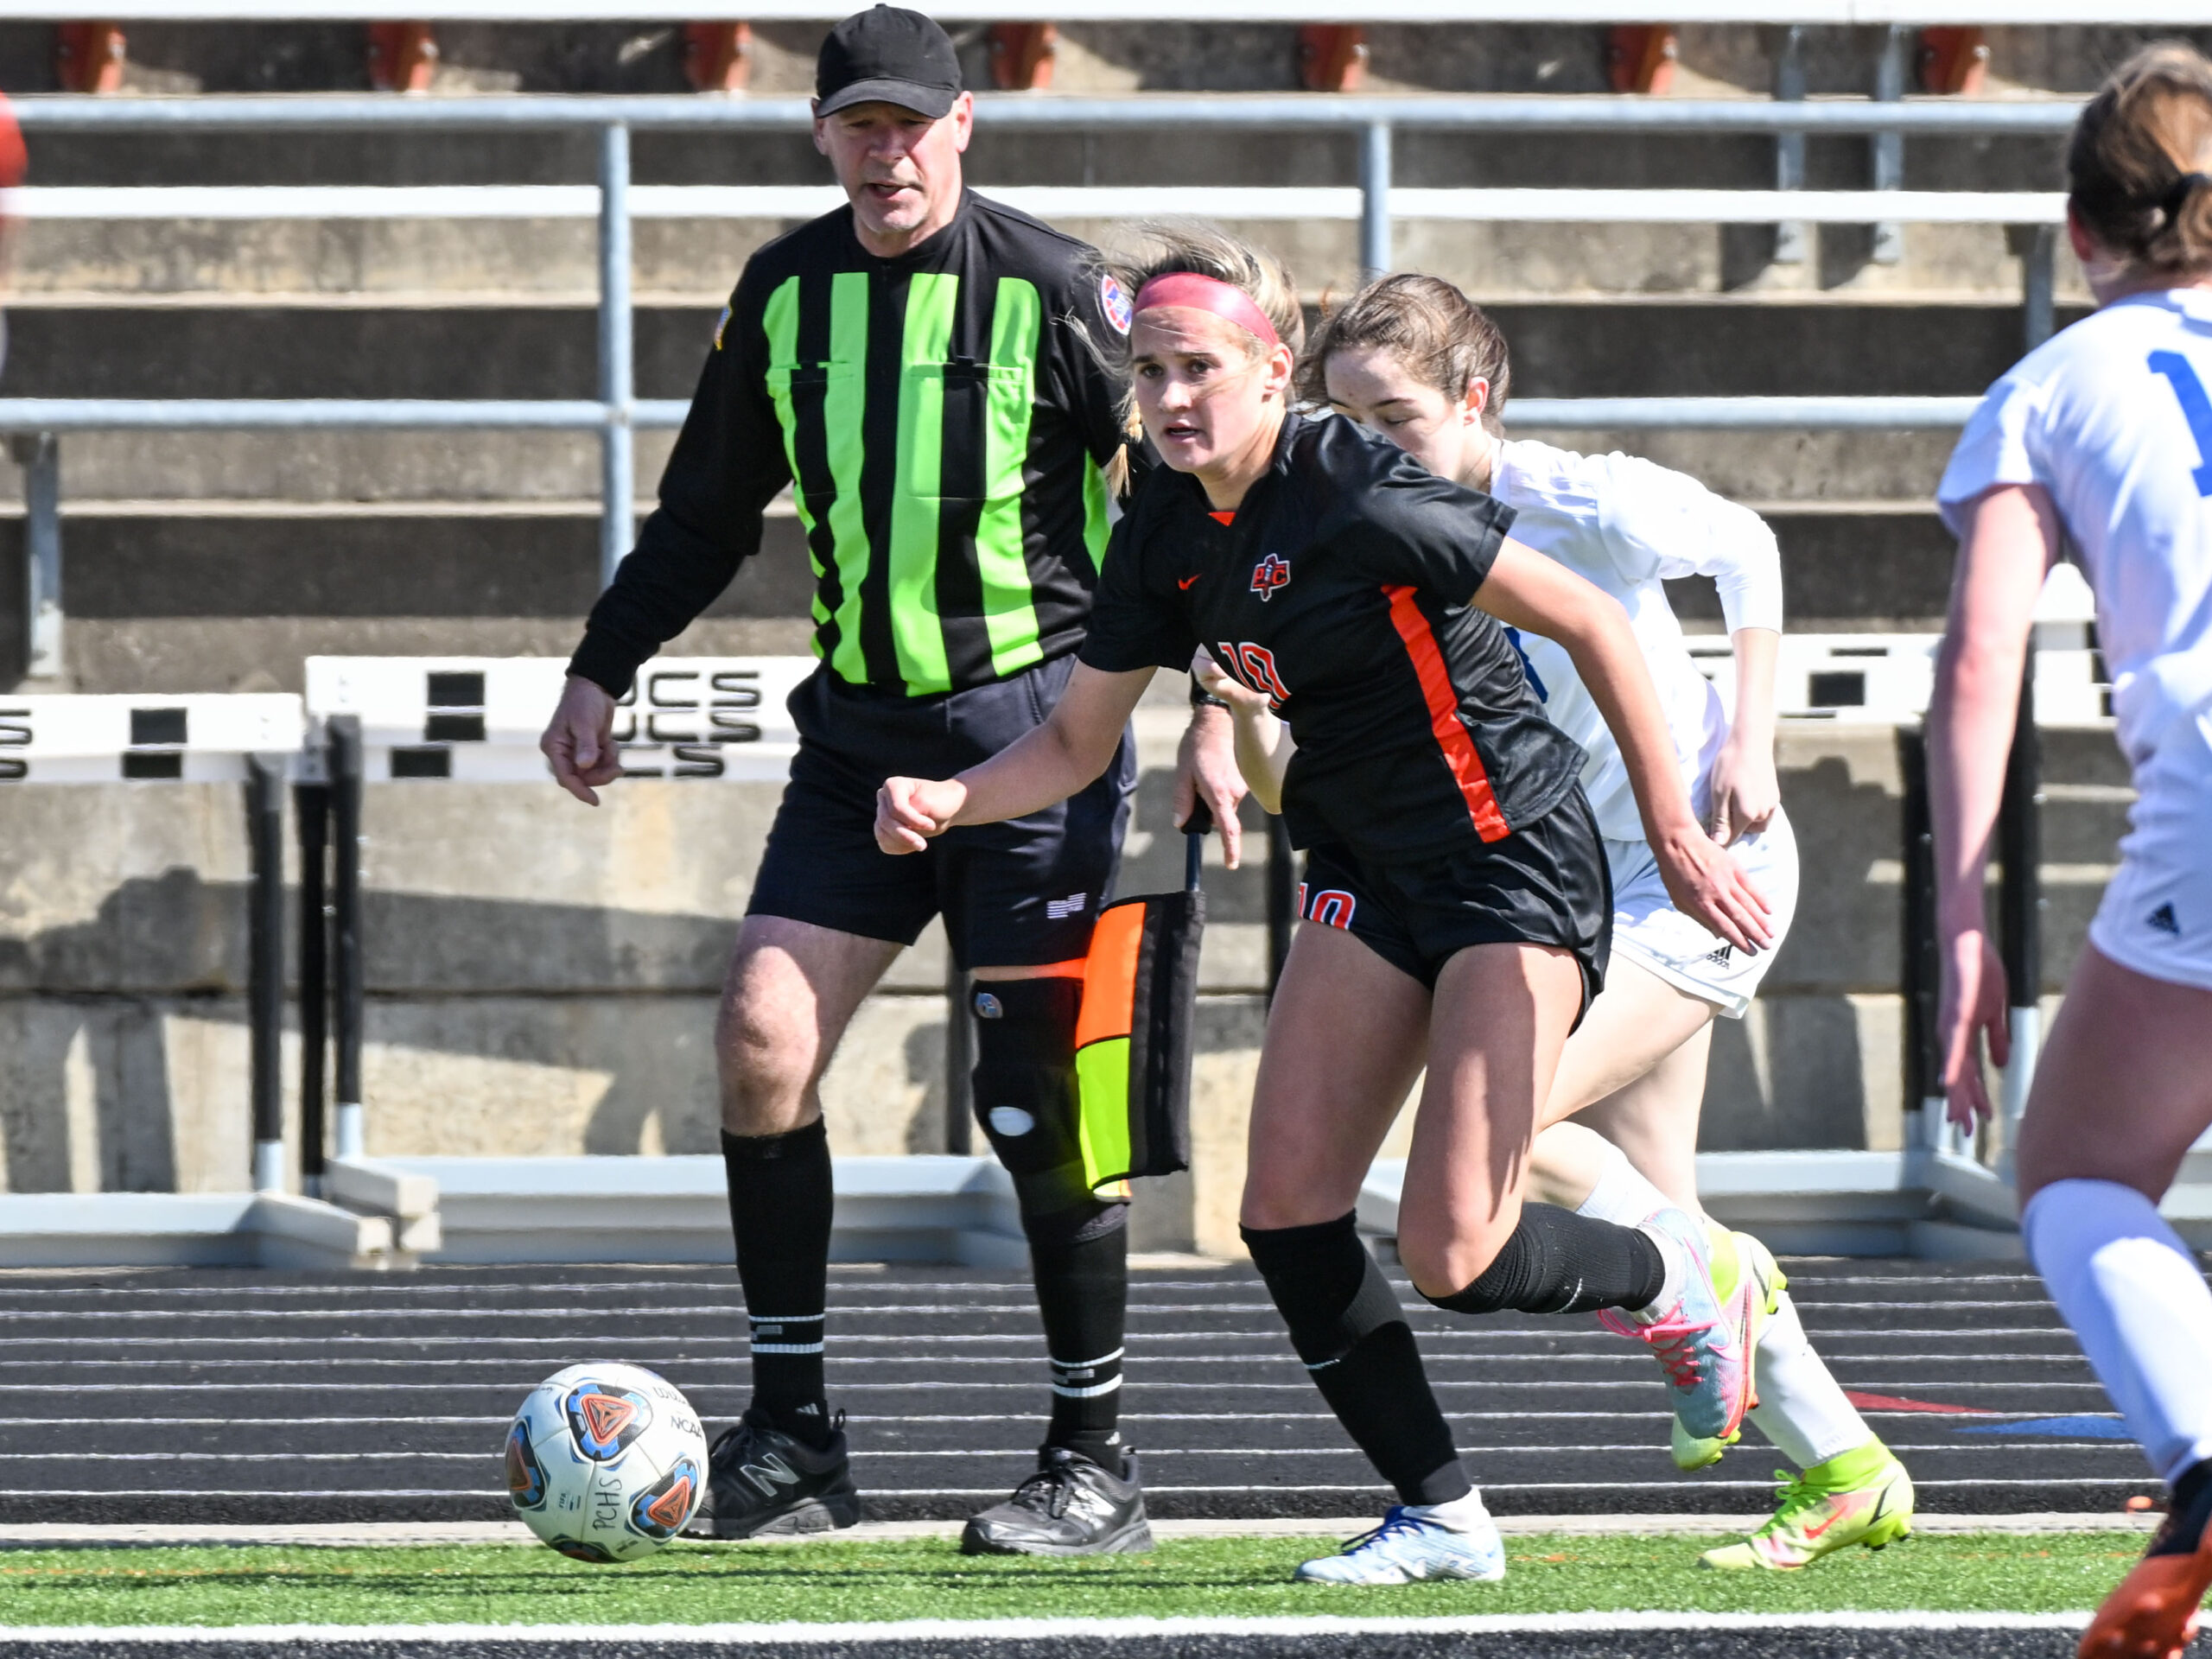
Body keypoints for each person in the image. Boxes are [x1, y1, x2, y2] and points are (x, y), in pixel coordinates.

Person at [874, 220, 1776, 1585]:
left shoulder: (1354, 484)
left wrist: (1676, 829)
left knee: (1455, 1252)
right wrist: (948, 798)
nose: (1170, 397)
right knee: (1287, 1211)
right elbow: (1069, 745)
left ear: (1271, 372)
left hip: (1507, 862)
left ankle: (1685, 1279)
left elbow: (1592, 619)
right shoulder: (1162, 523)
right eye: (1149, 371)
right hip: (1361, 868)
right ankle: (1444, 1517)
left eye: (1198, 368)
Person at [538, 6, 1243, 1557]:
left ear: (962, 125)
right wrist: (602, 665)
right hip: (857, 743)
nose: (886, 152)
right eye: (859, 125)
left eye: (911, 125)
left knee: (1034, 1098)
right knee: (760, 1036)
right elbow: (705, 513)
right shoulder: (784, 293)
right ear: (822, 135)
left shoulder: (1056, 288)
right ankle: (794, 1440)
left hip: (1036, 731)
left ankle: (1095, 1459)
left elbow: (1186, 497)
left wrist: (1215, 701)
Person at [1268, 272, 1913, 1571]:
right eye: (1343, 420)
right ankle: (1848, 1468)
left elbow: (1748, 545)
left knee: (1507, 1137)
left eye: (1395, 418)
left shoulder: (1577, 497)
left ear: (1475, 398)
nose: (1368, 447)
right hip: (1571, 884)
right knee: (1664, 1210)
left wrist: (1751, 738)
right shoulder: (1369, 530)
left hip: (1705, 871)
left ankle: (1712, 1292)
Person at [1928, 43, 2212, 1659]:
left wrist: (1964, 917)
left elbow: (1984, 663)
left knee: (2083, 1178)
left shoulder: (2054, 383)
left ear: (2080, 228)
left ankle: (2206, 1462)